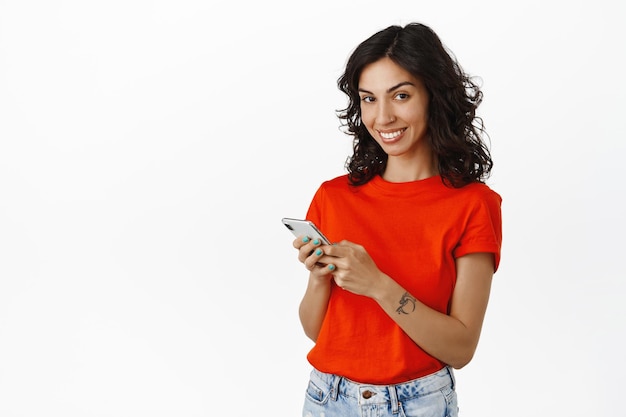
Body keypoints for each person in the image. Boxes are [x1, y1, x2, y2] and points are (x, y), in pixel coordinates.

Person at [291, 22, 502, 417]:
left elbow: (461, 348)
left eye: (400, 95)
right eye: (368, 99)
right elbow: (316, 331)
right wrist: (321, 276)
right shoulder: (332, 197)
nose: (383, 117)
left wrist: (377, 285)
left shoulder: (473, 205)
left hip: (417, 403)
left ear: (433, 97)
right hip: (326, 398)